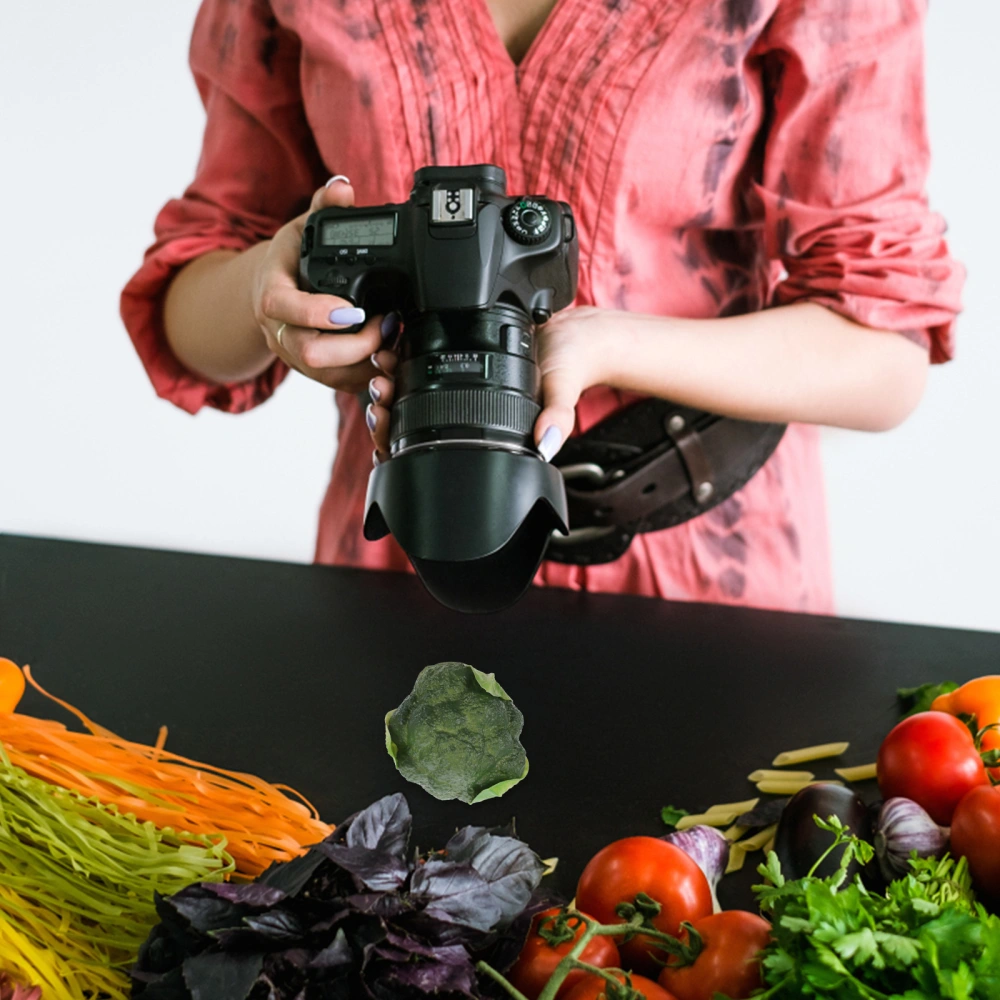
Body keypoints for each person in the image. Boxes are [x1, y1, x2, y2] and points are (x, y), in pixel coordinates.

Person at [122, 0, 964, 614]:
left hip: (707, 582)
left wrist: (611, 345)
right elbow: (188, 317)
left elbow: (884, 355)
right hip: (398, 551)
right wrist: (274, 291)